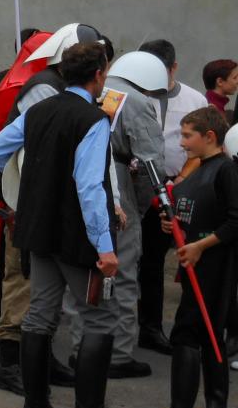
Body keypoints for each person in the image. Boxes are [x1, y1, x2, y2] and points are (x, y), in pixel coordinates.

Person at [0, 41, 136, 408]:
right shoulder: (93, 119)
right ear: (100, 74)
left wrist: (30, 181)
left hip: (38, 228)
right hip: (75, 234)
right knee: (100, 319)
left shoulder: (38, 110)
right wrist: (105, 248)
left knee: (40, 314)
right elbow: (89, 187)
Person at [64, 50, 168, 378]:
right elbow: (153, 163)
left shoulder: (93, 91)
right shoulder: (138, 102)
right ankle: (119, 353)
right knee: (121, 273)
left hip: (78, 183)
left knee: (83, 270)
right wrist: (140, 204)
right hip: (117, 184)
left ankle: (81, 347)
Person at [144, 106, 237, 408]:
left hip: (213, 269)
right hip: (194, 266)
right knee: (208, 336)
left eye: (187, 135)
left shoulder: (225, 170)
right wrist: (173, 224)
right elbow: (191, 210)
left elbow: (234, 221)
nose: (182, 143)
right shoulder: (199, 170)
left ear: (209, 136)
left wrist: (200, 246)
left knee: (188, 334)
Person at [139, 38, 210, 354]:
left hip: (174, 188)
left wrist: (180, 180)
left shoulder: (195, 100)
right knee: (127, 261)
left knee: (156, 261)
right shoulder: (134, 94)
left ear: (174, 68)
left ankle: (151, 327)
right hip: (135, 186)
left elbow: (206, 149)